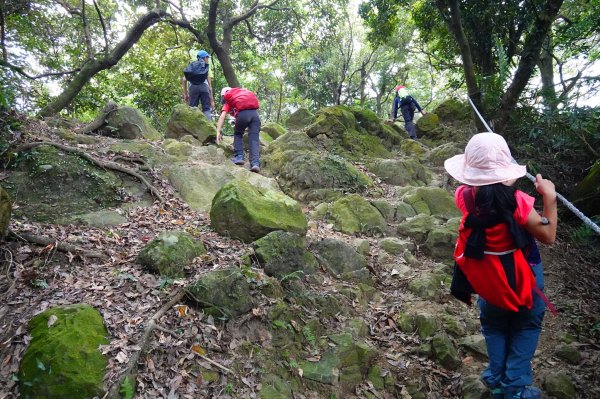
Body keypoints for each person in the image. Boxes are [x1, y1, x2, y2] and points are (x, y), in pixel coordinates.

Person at [444, 133, 557, 399]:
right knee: (526, 326)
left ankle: (496, 379)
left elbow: (487, 193)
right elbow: (547, 235)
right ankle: (514, 387)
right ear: (506, 170)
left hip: (488, 278)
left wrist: (496, 178)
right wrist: (549, 198)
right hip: (523, 277)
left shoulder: (463, 197)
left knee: (494, 325)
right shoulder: (517, 202)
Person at [216, 87, 261, 173]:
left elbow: (222, 116)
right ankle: (255, 163)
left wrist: (218, 131)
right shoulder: (242, 93)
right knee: (254, 138)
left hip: (243, 115)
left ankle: (239, 156)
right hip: (255, 115)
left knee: (238, 134)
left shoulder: (229, 99)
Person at [182, 50, 215, 120]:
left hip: (193, 87)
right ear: (205, 58)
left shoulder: (192, 66)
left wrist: (185, 94)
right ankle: (209, 126)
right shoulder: (206, 67)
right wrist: (212, 101)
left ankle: (192, 127)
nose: (208, 59)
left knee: (192, 108)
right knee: (206, 109)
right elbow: (210, 87)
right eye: (207, 58)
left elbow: (184, 80)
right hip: (204, 87)